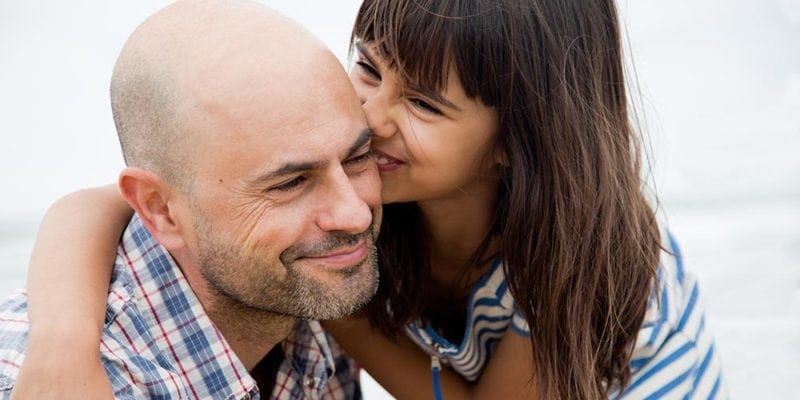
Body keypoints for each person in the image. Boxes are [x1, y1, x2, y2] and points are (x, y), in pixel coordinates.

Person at [11, 0, 728, 399]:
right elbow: (97, 205)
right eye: (368, 67)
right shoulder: (377, 187)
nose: (373, 115)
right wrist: (62, 350)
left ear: (513, 139)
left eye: (421, 102)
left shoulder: (574, 256)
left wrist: (333, 302)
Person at [0, 0, 383, 399]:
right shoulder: (55, 385)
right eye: (290, 184)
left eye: (358, 158)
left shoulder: (321, 297)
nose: (354, 215)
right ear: (160, 209)